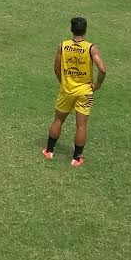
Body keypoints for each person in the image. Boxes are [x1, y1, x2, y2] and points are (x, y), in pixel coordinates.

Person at [43, 17, 107, 167]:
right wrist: (97, 85)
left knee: (58, 120)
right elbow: (103, 69)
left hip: (67, 90)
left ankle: (49, 151)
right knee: (81, 126)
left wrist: (63, 82)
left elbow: (56, 68)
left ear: (71, 29)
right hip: (85, 92)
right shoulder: (91, 48)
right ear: (85, 30)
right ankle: (76, 159)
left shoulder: (63, 46)